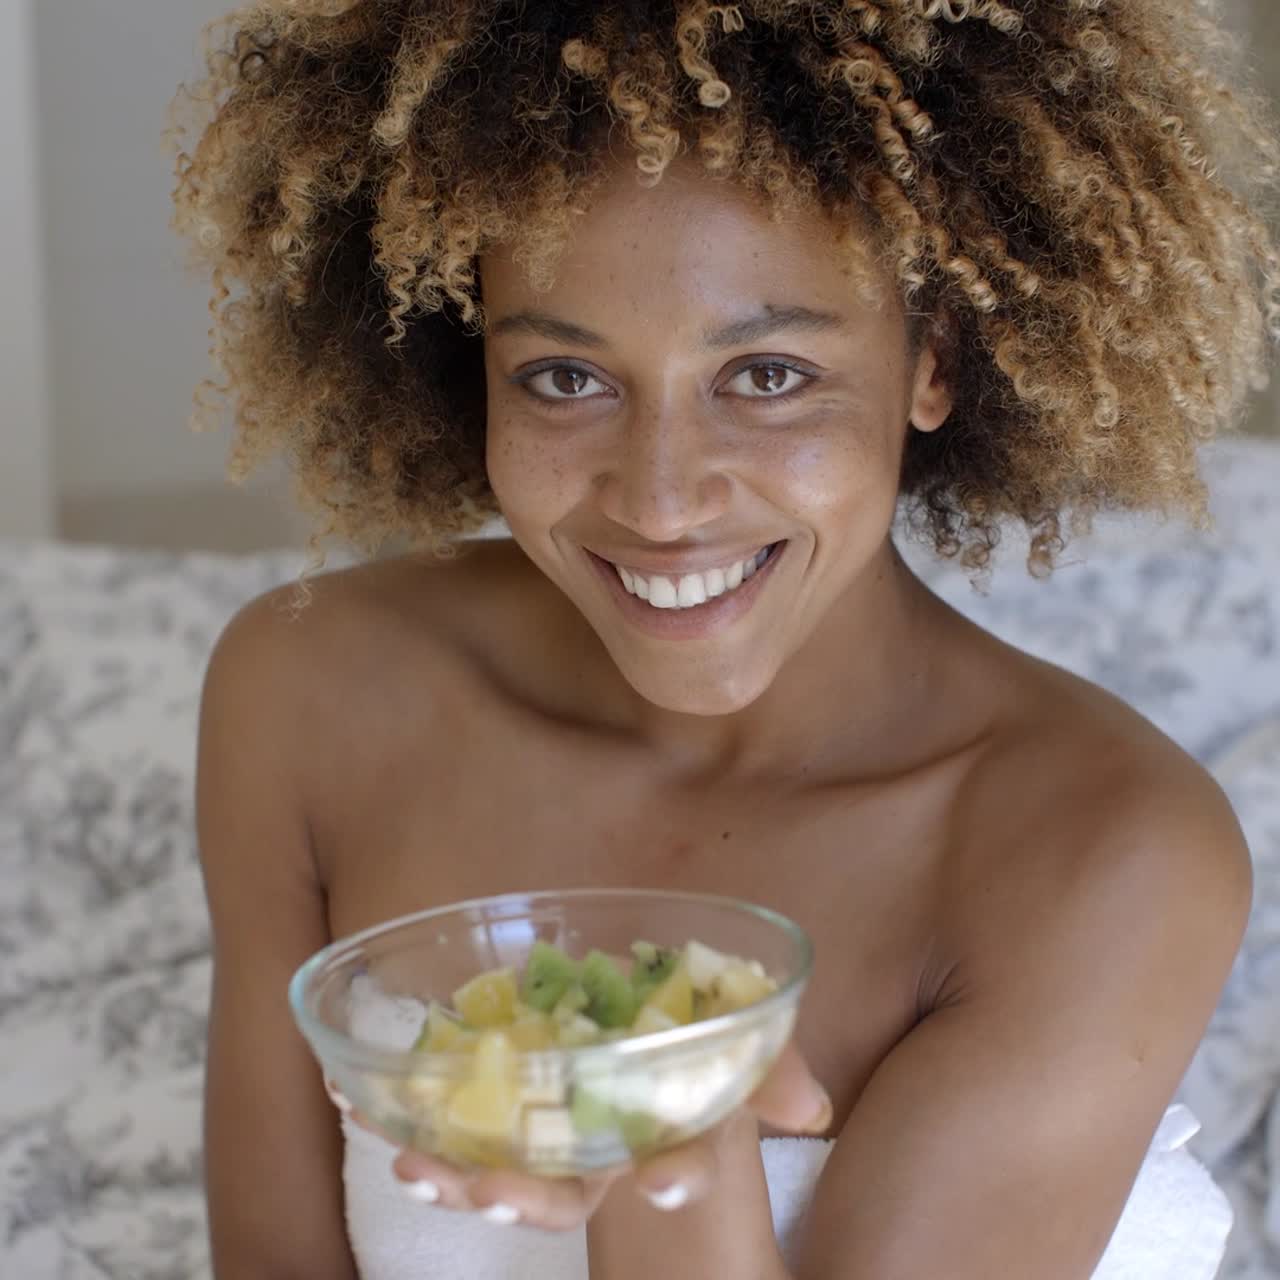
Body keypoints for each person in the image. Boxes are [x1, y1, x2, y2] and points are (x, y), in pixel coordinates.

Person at [169, 1, 1276, 1276]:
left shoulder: (1101, 845)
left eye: (764, 376)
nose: (657, 498)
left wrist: (674, 1167)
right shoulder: (309, 697)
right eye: (564, 378)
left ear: (932, 360)